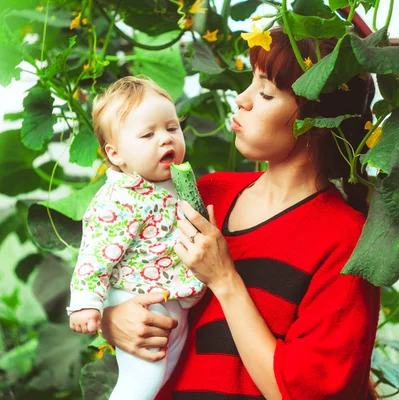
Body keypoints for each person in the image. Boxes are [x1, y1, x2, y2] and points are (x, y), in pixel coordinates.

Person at [99, 28, 381, 400]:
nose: (242, 100)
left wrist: (224, 279)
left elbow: (302, 393)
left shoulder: (348, 241)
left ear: (316, 121)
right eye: (251, 84)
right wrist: (112, 319)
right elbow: (133, 270)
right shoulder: (209, 194)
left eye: (264, 93)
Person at [67, 76, 205, 400]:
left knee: (158, 380)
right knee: (142, 381)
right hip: (135, 298)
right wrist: (86, 306)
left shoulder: (176, 181)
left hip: (170, 303)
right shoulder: (120, 198)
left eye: (172, 128)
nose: (165, 140)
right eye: (148, 134)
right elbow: (95, 254)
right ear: (116, 155)